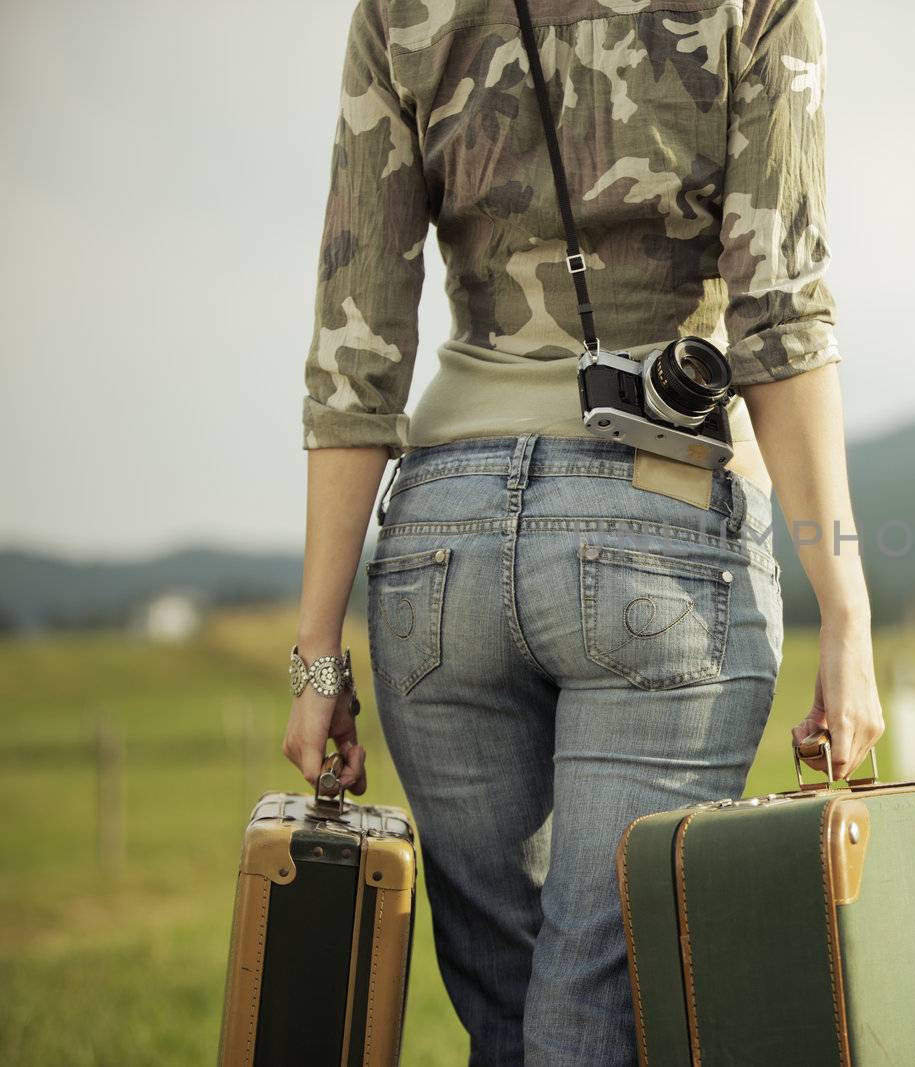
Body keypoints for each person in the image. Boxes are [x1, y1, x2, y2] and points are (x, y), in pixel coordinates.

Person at [280, 0, 882, 1063]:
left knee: (506, 1015)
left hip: (437, 547)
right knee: (602, 1008)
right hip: (660, 527)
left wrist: (318, 652)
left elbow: (357, 333)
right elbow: (778, 313)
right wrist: (848, 608)